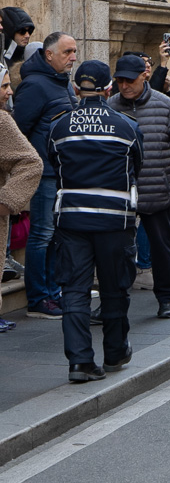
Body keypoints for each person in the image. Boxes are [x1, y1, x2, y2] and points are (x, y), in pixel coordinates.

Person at [49, 60, 143, 382]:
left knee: (74, 289)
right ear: (109, 88)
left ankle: (80, 362)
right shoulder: (126, 125)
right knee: (115, 287)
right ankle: (115, 352)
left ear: (76, 89)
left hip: (72, 219)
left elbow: (53, 162)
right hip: (115, 221)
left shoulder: (59, 125)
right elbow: (137, 165)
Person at [108, 53, 170, 320]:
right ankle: (112, 301)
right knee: (114, 250)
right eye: (119, 80)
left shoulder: (166, 106)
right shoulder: (111, 106)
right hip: (121, 194)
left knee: (161, 247)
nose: (124, 86)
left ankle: (167, 298)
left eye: (129, 80)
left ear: (144, 77)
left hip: (158, 191)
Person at [14, 30, 77, 319]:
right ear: (49, 54)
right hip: (44, 173)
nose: (73, 58)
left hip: (62, 173)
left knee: (55, 236)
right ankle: (39, 299)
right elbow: (18, 133)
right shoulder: (35, 85)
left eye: (74, 52)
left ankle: (53, 293)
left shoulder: (61, 82)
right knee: (41, 235)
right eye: (67, 52)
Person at [0, 71, 42, 332]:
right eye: (4, 85)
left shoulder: (2, 121)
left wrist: (7, 200)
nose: (10, 91)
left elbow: (31, 162)